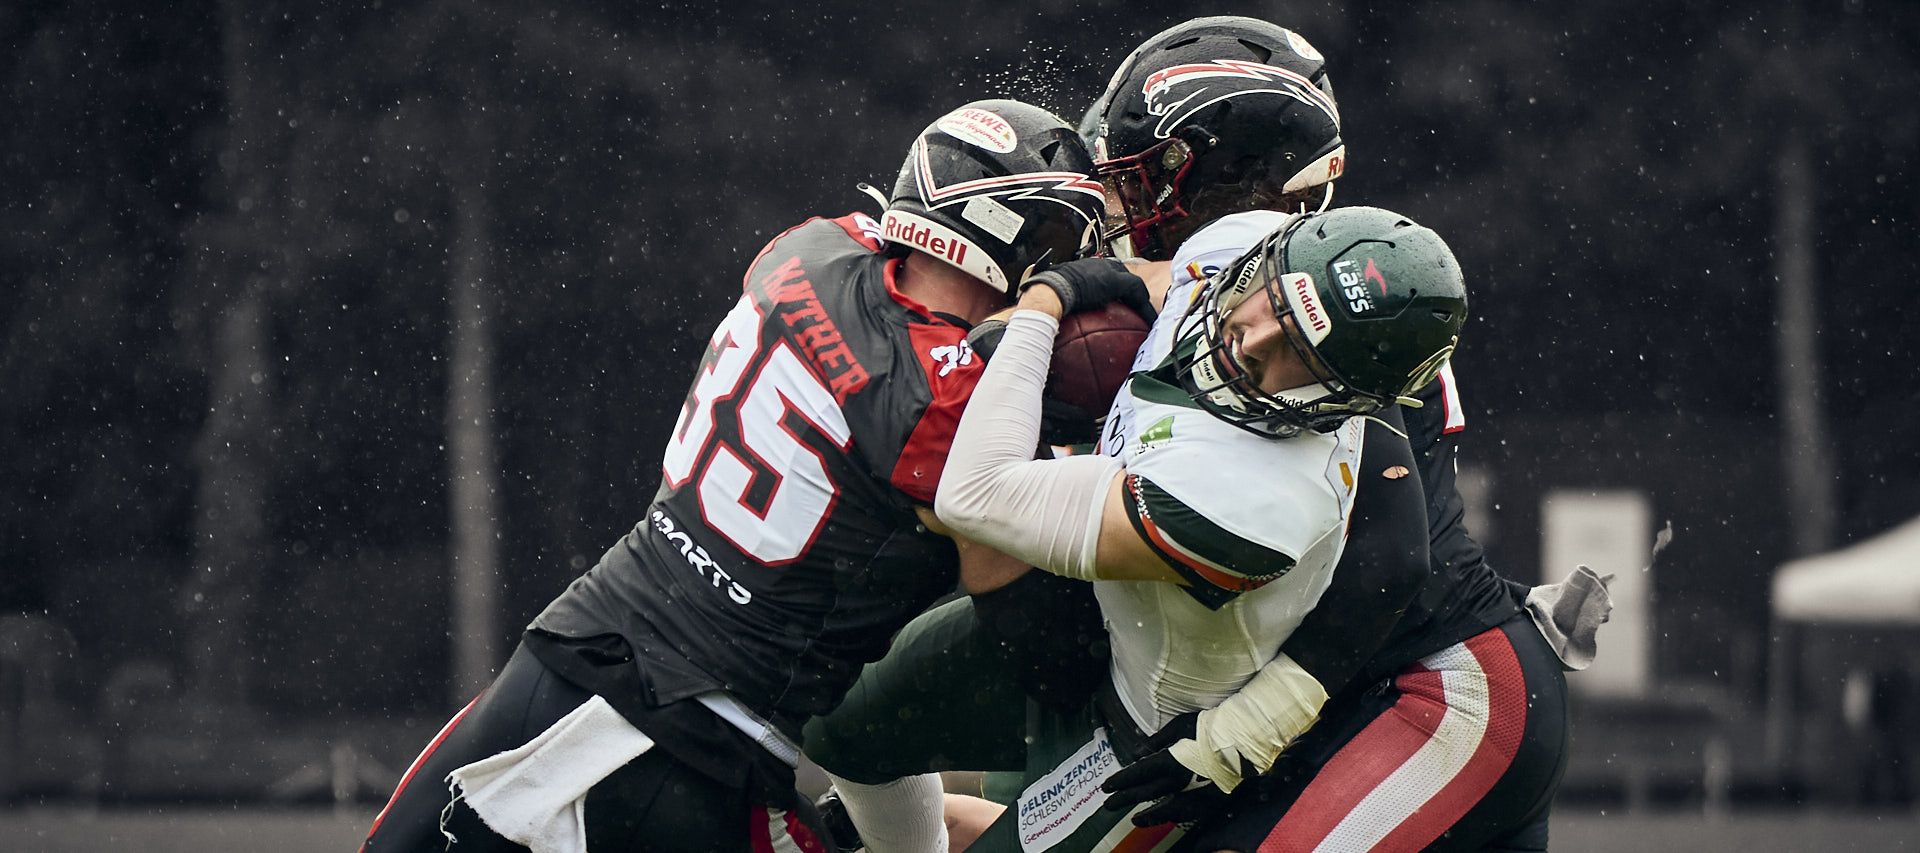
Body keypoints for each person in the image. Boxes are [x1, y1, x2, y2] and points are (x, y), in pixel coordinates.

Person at [812, 16, 1605, 853]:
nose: (1118, 201)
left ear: (1226, 178)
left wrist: (1249, 728)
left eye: (1141, 175)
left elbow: (1393, 555)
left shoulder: (1329, 332)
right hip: (1261, 670)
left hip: (1422, 681)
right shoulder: (1236, 273)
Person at [357, 99, 1110, 853]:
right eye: (1059, 238)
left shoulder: (808, 249)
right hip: (705, 754)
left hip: (565, 661)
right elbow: (1040, 647)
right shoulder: (950, 406)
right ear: (1007, 238)